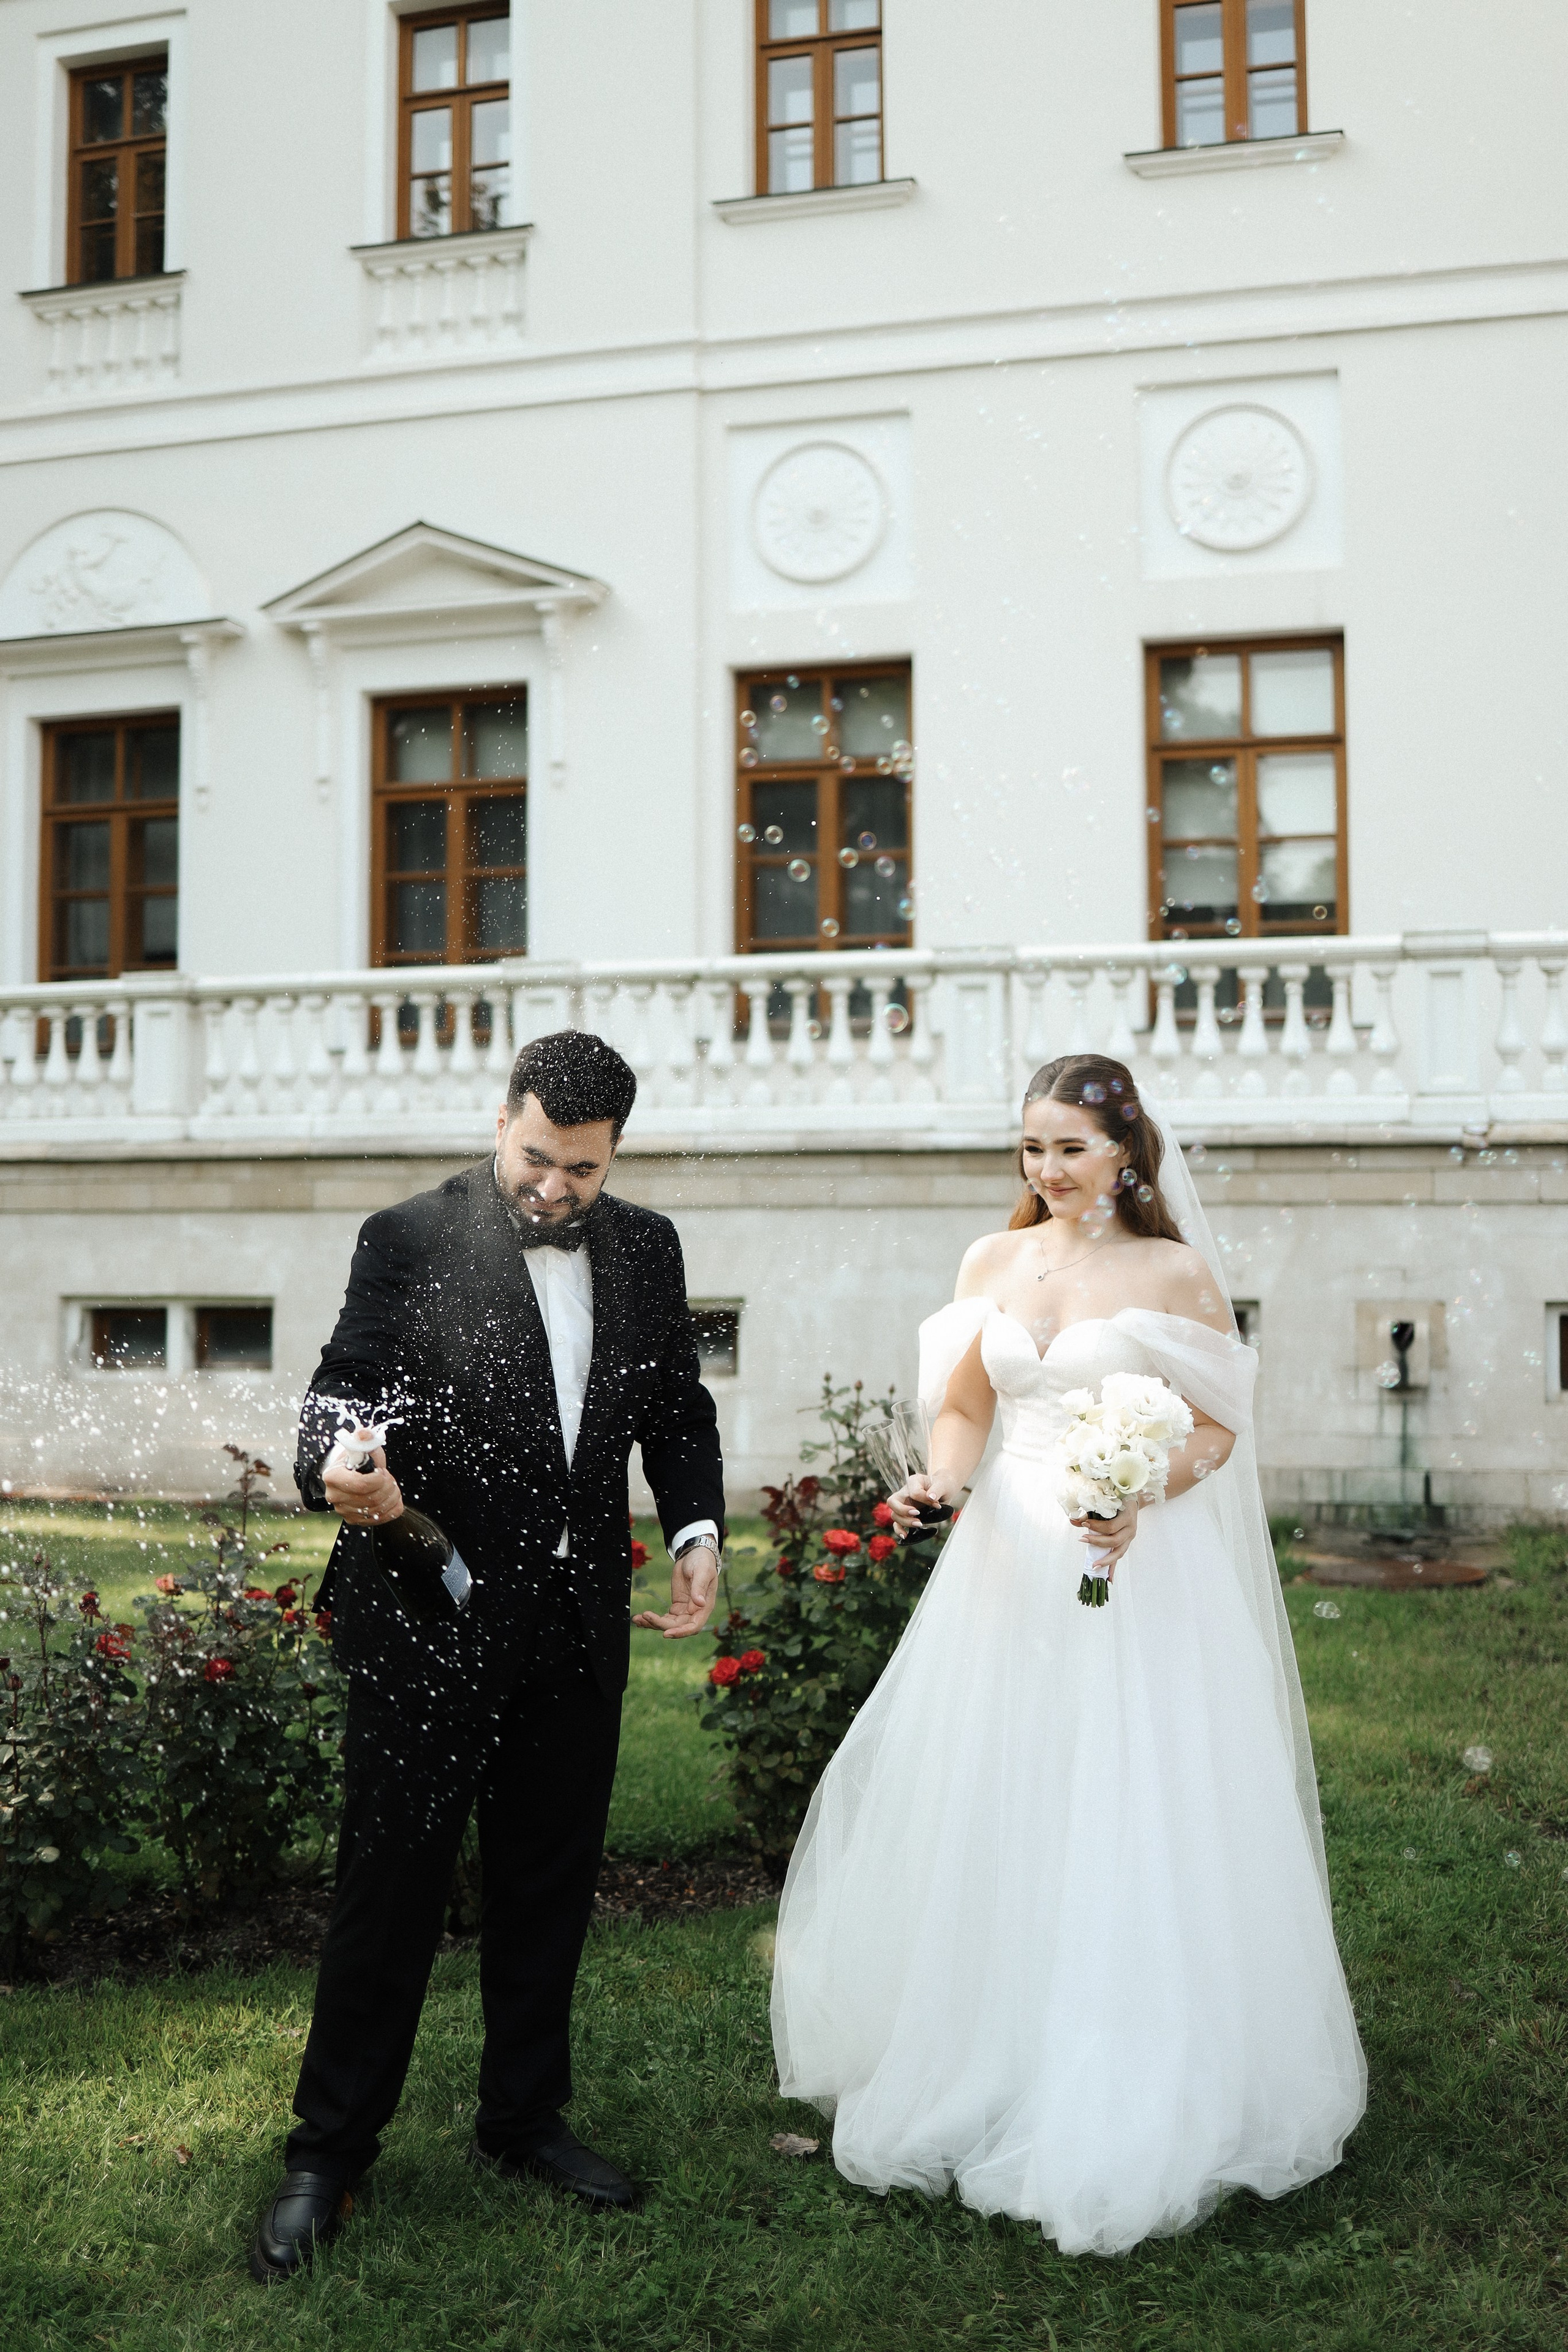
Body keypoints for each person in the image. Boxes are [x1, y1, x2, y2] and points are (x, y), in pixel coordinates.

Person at [771, 1053, 1365, 2258]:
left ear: (1125, 1154)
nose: (1045, 1172)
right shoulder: (990, 1263)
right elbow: (965, 1409)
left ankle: (1132, 2060)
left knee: (1128, 1803)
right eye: (1030, 1147)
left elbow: (1213, 1426)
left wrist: (1145, 1489)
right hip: (1001, 1567)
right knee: (1000, 1793)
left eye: (1069, 1149)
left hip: (1130, 1569)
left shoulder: (1172, 1273)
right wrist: (936, 1486)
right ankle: (983, 2042)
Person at [250, 1030, 725, 2283]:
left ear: (613, 1150)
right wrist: (342, 1470)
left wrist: (692, 1525)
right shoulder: (406, 1236)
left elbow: (675, 1406)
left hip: (574, 1632)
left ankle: (523, 2122)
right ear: (499, 1118)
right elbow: (340, 1393)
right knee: (388, 1891)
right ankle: (329, 2156)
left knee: (547, 1887)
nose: (554, 1188)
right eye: (535, 1158)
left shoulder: (648, 1247)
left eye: (581, 1168)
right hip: (428, 1615)